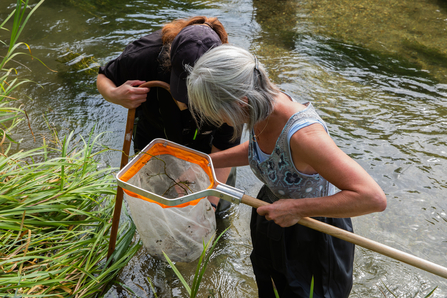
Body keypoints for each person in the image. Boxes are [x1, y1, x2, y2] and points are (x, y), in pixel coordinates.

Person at [186, 44, 387, 297]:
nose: (214, 117)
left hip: (313, 234)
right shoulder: (262, 108)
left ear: (241, 101)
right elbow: (266, 152)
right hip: (274, 214)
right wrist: (206, 162)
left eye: (214, 109)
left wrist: (296, 209)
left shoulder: (305, 136)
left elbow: (373, 198)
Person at [96, 16, 239, 212]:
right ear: (169, 62)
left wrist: (211, 206)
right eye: (181, 92)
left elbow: (224, 147)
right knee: (157, 205)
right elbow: (104, 76)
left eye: (193, 98)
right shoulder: (143, 55)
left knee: (219, 210)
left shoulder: (231, 81)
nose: (183, 106)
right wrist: (114, 94)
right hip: (156, 139)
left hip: (209, 148)